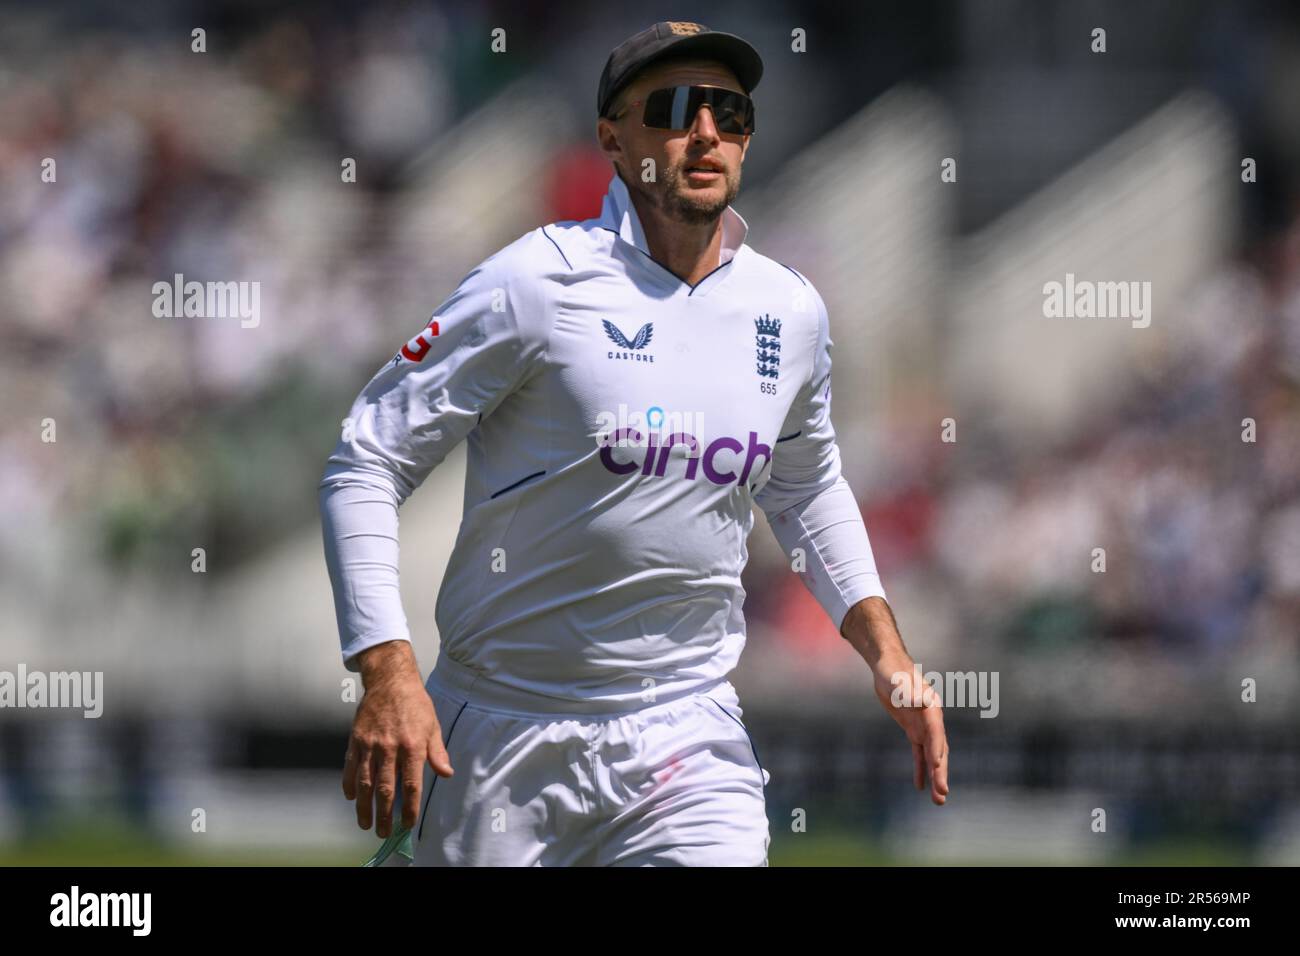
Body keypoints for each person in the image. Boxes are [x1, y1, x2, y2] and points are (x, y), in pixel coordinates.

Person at [321, 20, 948, 867]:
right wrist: (387, 670)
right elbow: (367, 457)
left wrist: (886, 652)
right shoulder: (533, 283)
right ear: (615, 139)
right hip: (501, 733)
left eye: (729, 112)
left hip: (687, 729)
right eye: (676, 107)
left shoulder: (788, 310)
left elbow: (805, 488)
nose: (706, 133)